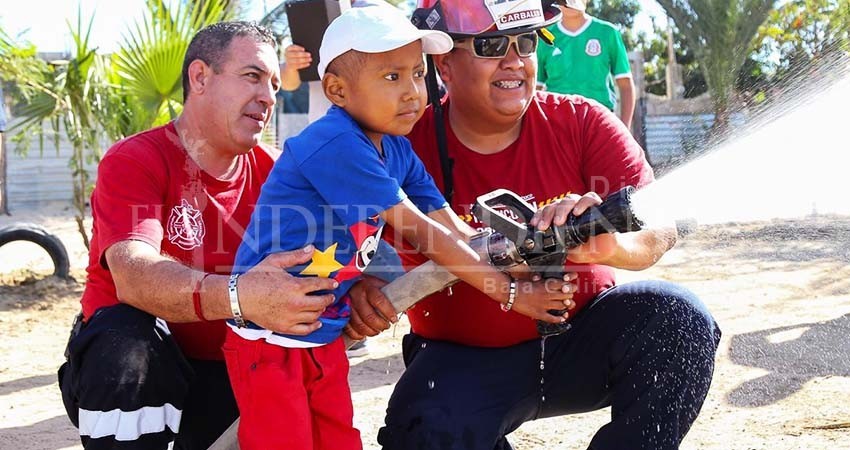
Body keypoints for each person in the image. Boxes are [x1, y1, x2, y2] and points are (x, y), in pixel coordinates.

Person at [345, 1, 722, 449]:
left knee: (680, 321)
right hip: (462, 361)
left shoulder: (582, 121)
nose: (514, 61)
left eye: (525, 43)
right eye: (490, 46)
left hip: (579, 344)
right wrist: (360, 286)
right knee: (420, 428)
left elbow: (659, 227)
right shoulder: (401, 145)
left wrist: (607, 248)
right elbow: (337, 240)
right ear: (443, 64)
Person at [224, 6, 573, 450]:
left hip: (320, 334)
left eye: (418, 74)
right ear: (337, 90)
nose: (412, 92)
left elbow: (454, 229)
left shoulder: (397, 150)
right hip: (269, 337)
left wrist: (524, 261)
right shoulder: (336, 143)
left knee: (338, 440)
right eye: (392, 77)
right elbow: (425, 234)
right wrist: (511, 294)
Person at [57, 22, 341, 450]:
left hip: (231, 367)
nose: (268, 96)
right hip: (139, 371)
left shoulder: (281, 174)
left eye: (273, 84)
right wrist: (241, 295)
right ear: (200, 77)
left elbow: (326, 260)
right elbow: (134, 275)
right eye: (252, 76)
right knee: (125, 339)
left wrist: (362, 291)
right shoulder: (136, 160)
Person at [536, 0, 636, 128]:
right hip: (557, 124)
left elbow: (625, 84)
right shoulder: (545, 36)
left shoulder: (608, 32)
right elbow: (535, 89)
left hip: (599, 123)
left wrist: (625, 127)